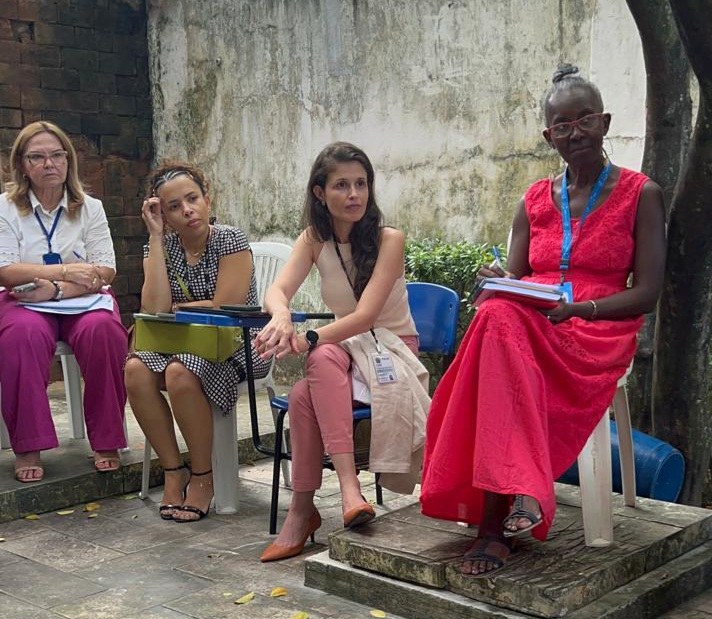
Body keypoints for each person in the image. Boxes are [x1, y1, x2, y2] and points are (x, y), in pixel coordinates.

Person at [420, 65, 666, 576]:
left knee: (497, 323)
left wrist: (580, 309)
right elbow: (514, 279)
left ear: (605, 122)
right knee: (495, 312)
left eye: (585, 120)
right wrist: (495, 279)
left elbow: (646, 293)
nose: (575, 133)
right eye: (562, 125)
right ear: (547, 135)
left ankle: (498, 515)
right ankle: (515, 495)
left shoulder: (641, 194)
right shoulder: (532, 200)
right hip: (533, 321)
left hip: (598, 327)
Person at [255, 142, 427, 562]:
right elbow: (277, 290)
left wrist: (308, 337)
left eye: (361, 184)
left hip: (390, 348)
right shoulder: (314, 239)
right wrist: (280, 317)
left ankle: (307, 509)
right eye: (342, 185)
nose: (354, 195)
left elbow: (367, 316)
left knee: (306, 384)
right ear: (320, 193)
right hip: (343, 353)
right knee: (317, 369)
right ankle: (343, 496)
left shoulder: (390, 239)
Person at [124, 161, 269, 522]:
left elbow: (226, 305)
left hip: (236, 341)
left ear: (207, 199)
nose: (186, 210)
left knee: (178, 372)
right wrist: (155, 237)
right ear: (164, 215)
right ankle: (175, 471)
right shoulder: (159, 247)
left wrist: (181, 305)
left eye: (192, 199)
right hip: (180, 341)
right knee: (135, 370)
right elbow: (154, 307)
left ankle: (204, 476)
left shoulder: (229, 238)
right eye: (174, 206)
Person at [0, 121, 128, 482]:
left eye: (57, 155)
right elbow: (6, 270)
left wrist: (57, 289)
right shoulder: (5, 208)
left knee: (105, 332)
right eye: (37, 157)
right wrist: (68, 272)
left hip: (81, 299)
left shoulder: (90, 208)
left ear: (68, 161)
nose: (48, 164)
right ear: (22, 165)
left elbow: (106, 268)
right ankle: (28, 444)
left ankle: (106, 439)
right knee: (20, 336)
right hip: (23, 300)